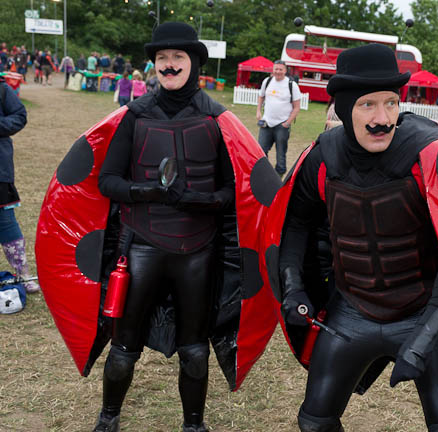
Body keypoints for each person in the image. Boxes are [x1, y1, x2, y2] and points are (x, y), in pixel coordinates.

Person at [267, 43, 438, 432]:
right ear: (343, 107)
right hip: (350, 314)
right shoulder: (322, 158)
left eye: (390, 103)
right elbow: (295, 225)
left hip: (424, 313)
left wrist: (425, 336)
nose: (382, 118)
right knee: (315, 421)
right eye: (368, 104)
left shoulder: (429, 157)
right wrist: (293, 286)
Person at [36, 22, 280, 432]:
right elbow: (107, 181)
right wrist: (146, 191)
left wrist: (199, 200)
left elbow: (231, 192)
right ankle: (108, 417)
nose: (169, 65)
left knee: (195, 351)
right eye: (162, 58)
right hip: (141, 248)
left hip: (199, 253)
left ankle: (193, 425)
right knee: (123, 348)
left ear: (195, 63)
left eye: (177, 57)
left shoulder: (217, 121)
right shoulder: (134, 117)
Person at [0, 77, 40, 294]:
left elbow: (19, 116)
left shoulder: (2, 89)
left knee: (5, 222)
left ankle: (23, 275)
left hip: (0, 171)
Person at [256, 60, 301, 176]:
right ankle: (264, 173)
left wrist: (287, 122)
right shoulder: (267, 81)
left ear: (285, 71)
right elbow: (261, 96)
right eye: (276, 69)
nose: (278, 71)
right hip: (266, 123)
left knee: (281, 153)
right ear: (273, 69)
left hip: (282, 125)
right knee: (260, 151)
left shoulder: (292, 85)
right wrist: (258, 111)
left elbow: (297, 107)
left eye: (280, 69)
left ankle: (279, 176)